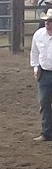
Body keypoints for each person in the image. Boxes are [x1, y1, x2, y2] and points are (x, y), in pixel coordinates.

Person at [30, 9, 52, 141]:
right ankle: (46, 132)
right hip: (44, 72)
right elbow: (34, 53)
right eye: (47, 21)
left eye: (50, 21)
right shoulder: (38, 35)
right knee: (44, 102)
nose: (47, 23)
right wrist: (35, 67)